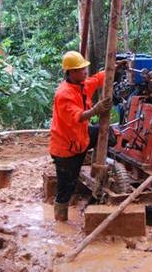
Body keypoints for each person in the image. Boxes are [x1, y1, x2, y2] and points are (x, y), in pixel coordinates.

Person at [49, 51, 114, 221]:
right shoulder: (64, 94)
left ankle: (97, 165)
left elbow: (98, 79)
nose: (85, 71)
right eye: (80, 69)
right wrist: (95, 110)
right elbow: (77, 117)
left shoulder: (82, 84)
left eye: (85, 68)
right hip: (66, 149)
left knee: (107, 133)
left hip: (81, 139)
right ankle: (60, 220)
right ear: (70, 72)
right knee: (66, 188)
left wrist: (114, 68)